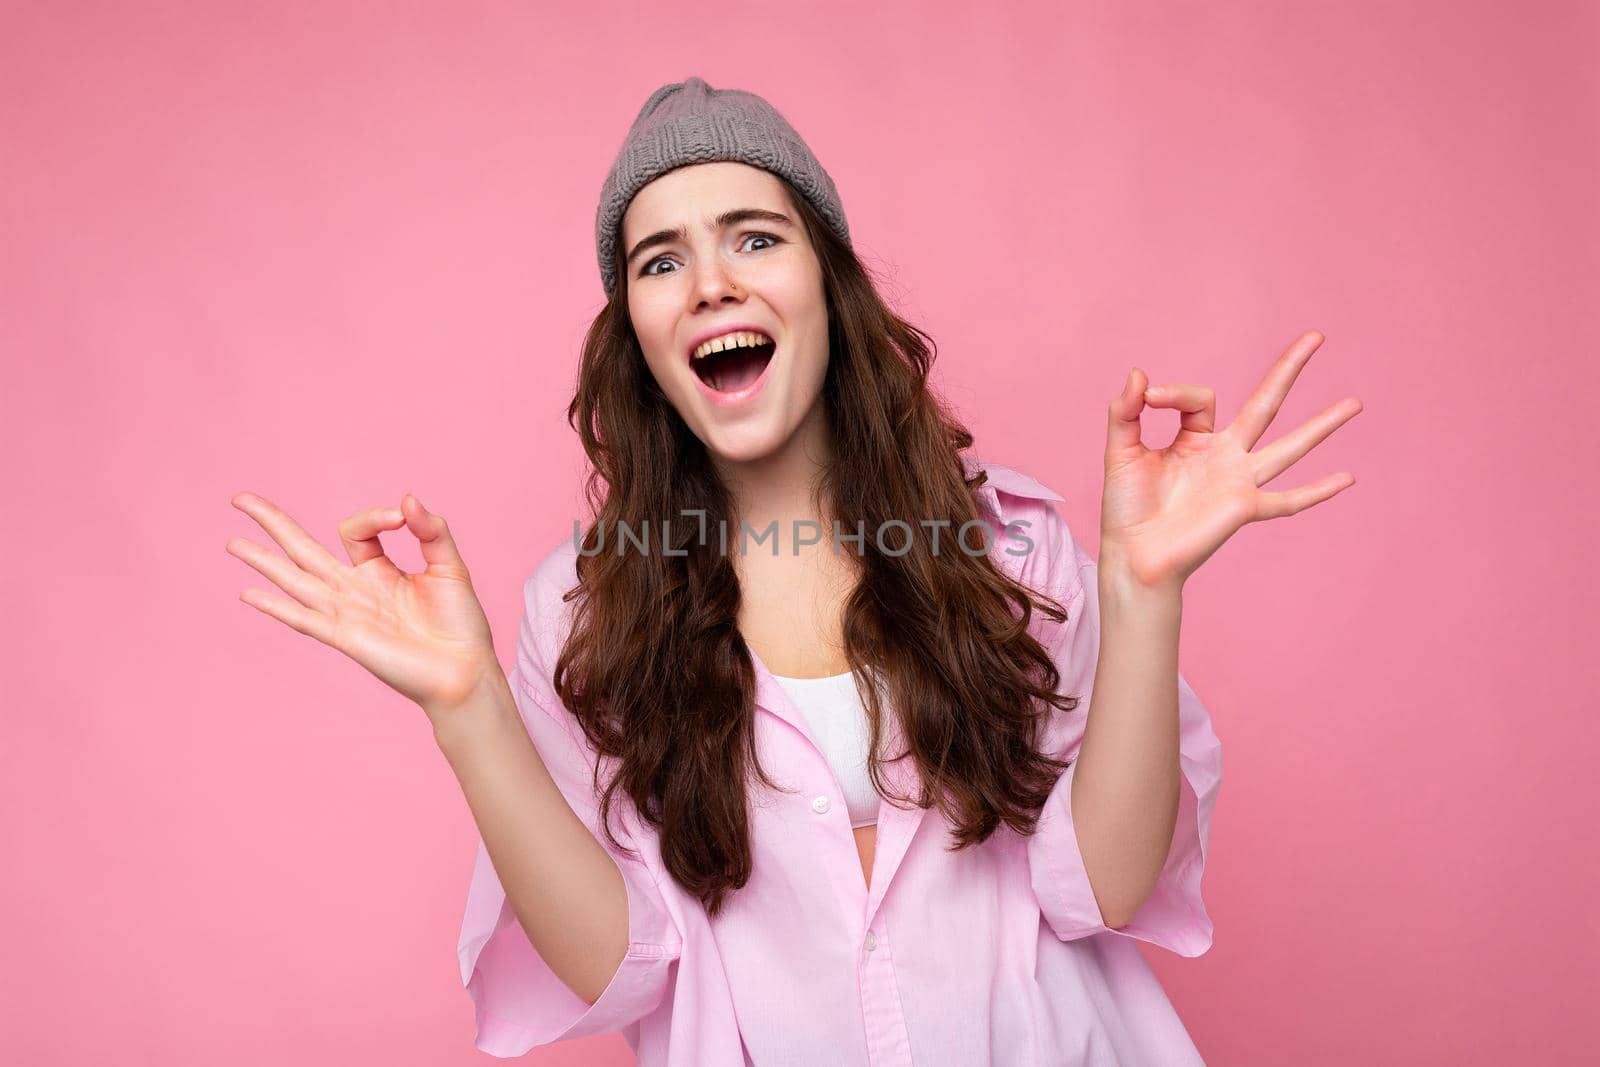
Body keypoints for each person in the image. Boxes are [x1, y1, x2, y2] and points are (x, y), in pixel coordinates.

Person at [226, 76, 1361, 1065]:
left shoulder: (1008, 548)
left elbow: (1101, 889)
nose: (711, 281)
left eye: (755, 236)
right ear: (638, 332)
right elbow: (622, 966)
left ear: (830, 283)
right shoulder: (582, 609)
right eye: (660, 259)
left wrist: (1141, 589)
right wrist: (468, 706)